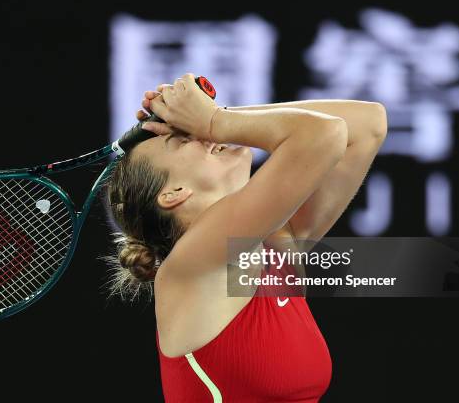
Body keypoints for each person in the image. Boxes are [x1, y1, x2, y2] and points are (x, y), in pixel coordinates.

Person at [104, 73, 387, 402]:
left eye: (192, 131)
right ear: (174, 193)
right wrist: (213, 120)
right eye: (183, 139)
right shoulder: (191, 263)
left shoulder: (276, 246)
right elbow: (325, 134)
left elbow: (368, 125)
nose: (202, 136)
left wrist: (207, 113)